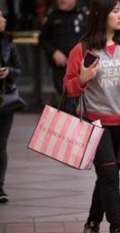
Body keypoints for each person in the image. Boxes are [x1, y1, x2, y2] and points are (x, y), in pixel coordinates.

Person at [63, 0, 120, 232]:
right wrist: (82, 78)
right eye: (115, 11)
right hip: (95, 124)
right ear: (101, 15)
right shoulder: (82, 50)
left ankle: (92, 222)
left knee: (106, 177)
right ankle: (117, 226)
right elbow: (68, 88)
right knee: (109, 175)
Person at [38, 0, 87, 112]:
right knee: (67, 98)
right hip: (61, 68)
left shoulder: (84, 15)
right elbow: (43, 40)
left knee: (81, 101)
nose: (61, 1)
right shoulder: (52, 17)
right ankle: (70, 125)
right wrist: (54, 52)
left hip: (82, 67)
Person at [0, 10, 22, 203]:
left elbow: (19, 69)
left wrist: (9, 72)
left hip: (5, 100)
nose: (3, 19)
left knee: (1, 145)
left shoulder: (8, 43)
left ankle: (0, 187)